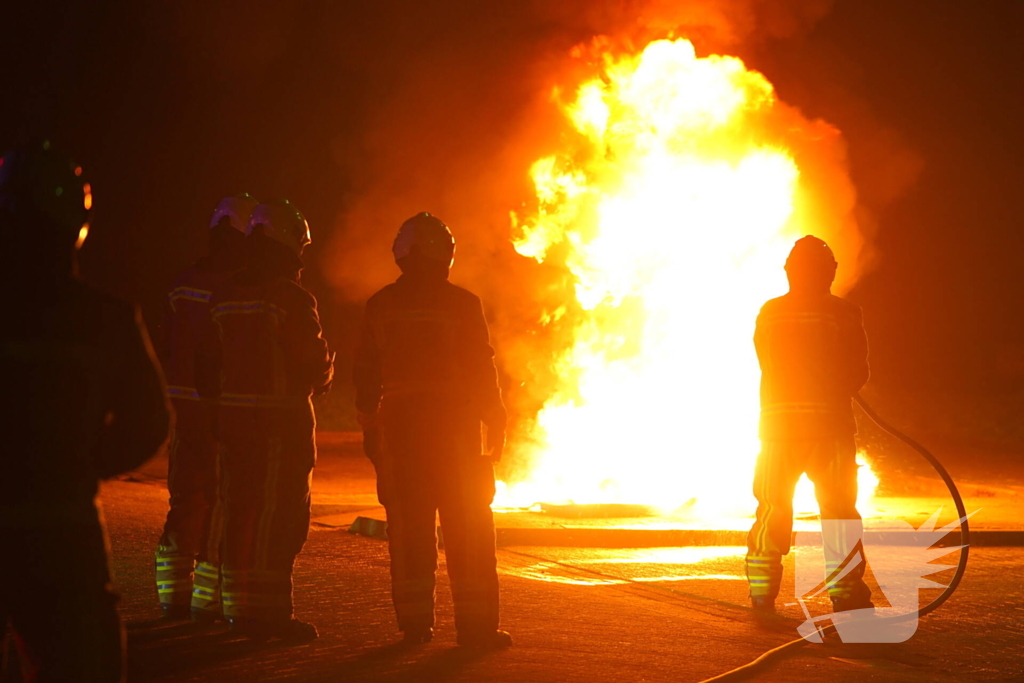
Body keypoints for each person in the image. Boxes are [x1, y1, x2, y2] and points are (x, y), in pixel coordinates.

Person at [0, 140, 171, 681]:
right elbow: (150, 421)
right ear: (79, 220)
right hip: (65, 537)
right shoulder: (107, 318)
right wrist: (79, 465)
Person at [354, 212, 511, 649]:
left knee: (408, 529)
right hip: (455, 433)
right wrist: (495, 417)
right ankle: (476, 628)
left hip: (400, 434)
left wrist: (371, 430)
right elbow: (481, 368)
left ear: (401, 255)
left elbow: (364, 376)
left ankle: (415, 626)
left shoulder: (381, 304)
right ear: (446, 256)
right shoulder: (462, 304)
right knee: (469, 527)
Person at [197, 199, 333, 642]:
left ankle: (236, 608)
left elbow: (205, 368)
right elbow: (311, 364)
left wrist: (222, 411)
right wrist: (328, 368)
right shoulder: (290, 298)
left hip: (234, 425)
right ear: (289, 243)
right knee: (280, 519)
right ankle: (271, 615)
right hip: (281, 429)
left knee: (238, 513)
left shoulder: (224, 295)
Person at [746, 235, 874, 614]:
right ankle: (846, 595)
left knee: (772, 508)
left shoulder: (770, 313)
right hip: (829, 431)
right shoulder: (845, 313)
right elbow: (858, 371)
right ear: (830, 272)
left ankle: (761, 593)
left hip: (778, 431)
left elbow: (766, 361)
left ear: (788, 272)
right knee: (838, 512)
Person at [155, 193, 258, 621]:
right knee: (222, 503)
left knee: (185, 500)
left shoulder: (182, 282)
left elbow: (166, 343)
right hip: (222, 410)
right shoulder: (236, 288)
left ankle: (172, 598)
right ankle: (207, 601)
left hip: (183, 410)